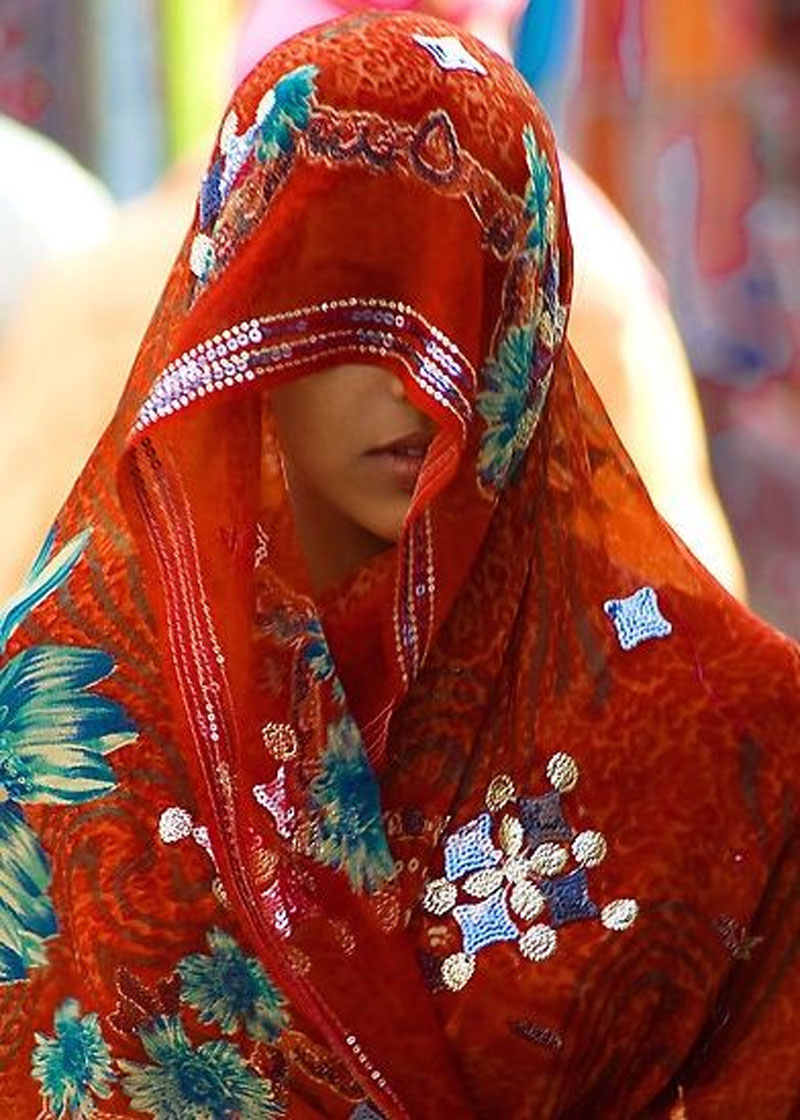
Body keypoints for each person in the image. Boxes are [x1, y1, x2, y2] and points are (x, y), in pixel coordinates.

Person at [1, 13, 796, 1117]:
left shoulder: (724, 737)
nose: (422, 374)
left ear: (532, 315)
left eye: (469, 295)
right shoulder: (66, 732)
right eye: (353, 299)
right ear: (239, 316)